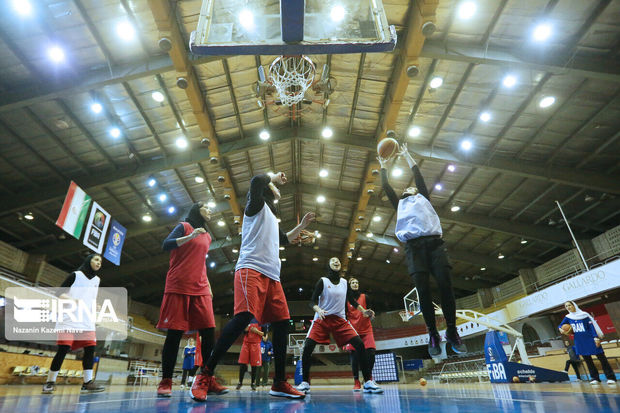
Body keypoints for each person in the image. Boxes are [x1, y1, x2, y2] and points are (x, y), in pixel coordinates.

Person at [193, 171, 315, 402]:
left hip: (272, 275)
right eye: (274, 187)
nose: (278, 189)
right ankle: (204, 375)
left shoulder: (270, 215)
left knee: (281, 323)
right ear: (268, 189)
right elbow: (256, 181)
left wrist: (301, 225)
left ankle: (279, 382)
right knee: (244, 316)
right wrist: (273, 177)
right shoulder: (256, 205)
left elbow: (285, 240)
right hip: (251, 268)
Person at [378, 143, 466, 357]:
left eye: (412, 187)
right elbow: (388, 188)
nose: (409, 188)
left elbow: (418, 177)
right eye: (406, 189)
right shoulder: (399, 204)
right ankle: (433, 333)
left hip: (435, 245)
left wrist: (407, 156)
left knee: (445, 285)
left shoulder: (422, 197)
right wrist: (383, 168)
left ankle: (452, 331)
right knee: (423, 292)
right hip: (413, 248)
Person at [155, 202, 228, 398]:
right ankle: (166, 380)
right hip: (179, 284)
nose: (210, 211)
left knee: (209, 331)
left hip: (201, 286)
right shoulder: (184, 226)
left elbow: (201, 262)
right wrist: (190, 236)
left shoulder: (207, 235)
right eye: (207, 208)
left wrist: (209, 286)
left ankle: (207, 378)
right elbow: (166, 245)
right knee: (175, 333)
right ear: (197, 210)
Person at [295, 258, 383, 394]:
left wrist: (364, 311)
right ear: (329, 265)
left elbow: (351, 300)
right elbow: (311, 301)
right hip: (322, 318)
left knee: (360, 345)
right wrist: (318, 309)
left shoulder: (344, 283)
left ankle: (368, 382)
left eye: (338, 261)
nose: (336, 261)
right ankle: (305, 382)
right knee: (307, 347)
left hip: (340, 319)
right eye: (333, 260)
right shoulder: (322, 281)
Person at [42, 254, 105, 394]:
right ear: (88, 261)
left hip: (86, 320)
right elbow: (58, 293)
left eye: (100, 261)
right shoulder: (75, 275)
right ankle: (50, 382)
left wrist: (96, 306)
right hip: (69, 318)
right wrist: (73, 300)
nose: (99, 263)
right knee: (63, 349)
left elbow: (90, 298)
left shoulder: (97, 280)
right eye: (96, 259)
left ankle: (87, 383)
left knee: (90, 349)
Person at [559, 301, 616, 385]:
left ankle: (611, 377)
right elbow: (560, 325)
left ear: (574, 305)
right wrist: (560, 328)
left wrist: (595, 337)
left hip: (590, 339)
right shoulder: (568, 317)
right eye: (566, 306)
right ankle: (594, 378)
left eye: (569, 305)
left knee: (602, 358)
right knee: (588, 361)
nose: (568, 307)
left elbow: (591, 327)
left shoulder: (584, 315)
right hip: (579, 341)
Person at [343, 277, 376, 391]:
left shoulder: (365, 297)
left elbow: (370, 312)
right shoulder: (346, 299)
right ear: (349, 285)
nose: (355, 284)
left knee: (371, 353)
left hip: (366, 329)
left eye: (357, 282)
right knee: (355, 357)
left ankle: (368, 378)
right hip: (353, 331)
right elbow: (344, 316)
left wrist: (371, 314)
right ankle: (356, 381)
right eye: (353, 282)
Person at [236, 321, 264, 390]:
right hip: (246, 343)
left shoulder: (262, 322)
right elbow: (244, 332)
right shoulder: (248, 319)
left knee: (254, 365)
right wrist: (246, 328)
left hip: (256, 344)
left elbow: (265, 336)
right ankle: (240, 382)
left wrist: (256, 331)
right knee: (242, 364)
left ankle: (253, 383)